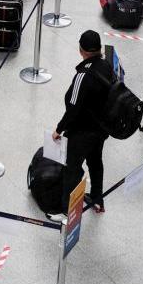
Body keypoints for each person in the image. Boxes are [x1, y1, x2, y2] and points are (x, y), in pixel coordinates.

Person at [52, 30, 114, 213]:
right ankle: (97, 200)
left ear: (81, 50)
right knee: (95, 162)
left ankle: (66, 212)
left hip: (82, 131)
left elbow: (73, 107)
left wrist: (59, 130)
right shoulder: (106, 66)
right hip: (101, 129)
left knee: (72, 168)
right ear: (99, 49)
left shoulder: (83, 75)